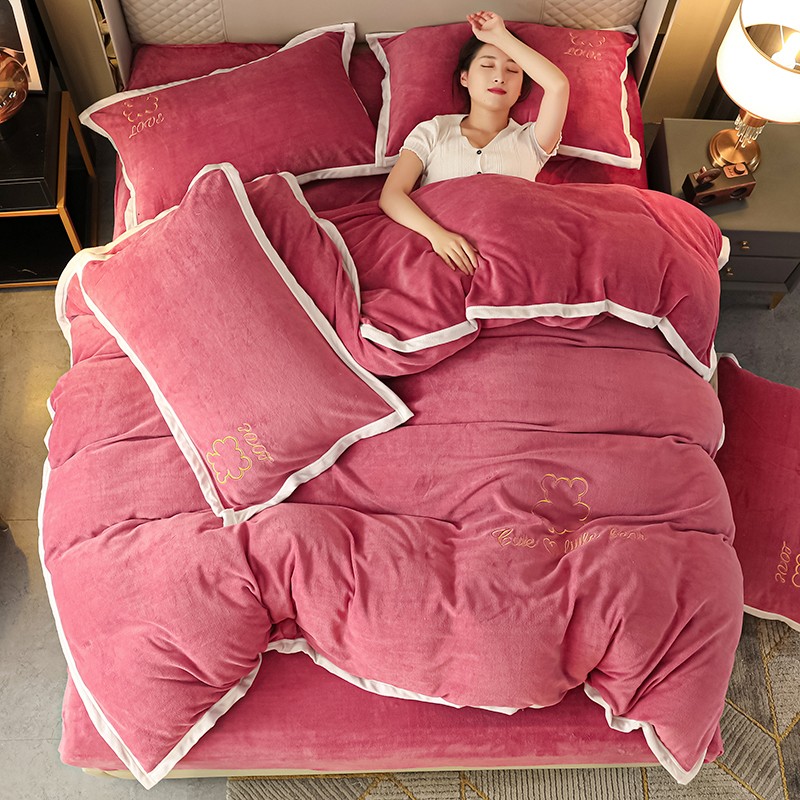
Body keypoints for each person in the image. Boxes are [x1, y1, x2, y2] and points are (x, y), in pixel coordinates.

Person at [378, 10, 570, 275]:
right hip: (437, 259)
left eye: (512, 69)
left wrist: (501, 36)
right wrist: (438, 236)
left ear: (521, 88)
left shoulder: (532, 140)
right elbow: (391, 195)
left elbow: (558, 86)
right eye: (488, 66)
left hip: (511, 261)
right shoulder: (434, 130)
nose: (500, 77)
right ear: (464, 77)